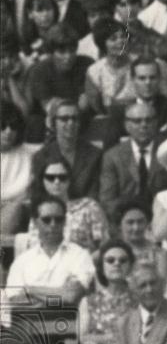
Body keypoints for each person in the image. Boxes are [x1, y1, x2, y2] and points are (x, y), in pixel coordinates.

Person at [2, 195, 95, 331]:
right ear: (35, 222)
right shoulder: (22, 261)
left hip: (68, 333)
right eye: (46, 219)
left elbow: (71, 296)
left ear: (65, 221)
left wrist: (30, 290)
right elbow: (15, 303)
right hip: (27, 334)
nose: (53, 224)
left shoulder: (80, 256)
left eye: (59, 219)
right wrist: (59, 297)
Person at [99, 100, 167, 216]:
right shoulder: (112, 156)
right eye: (137, 121)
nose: (144, 125)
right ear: (127, 126)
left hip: (163, 217)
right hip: (125, 219)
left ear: (156, 123)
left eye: (149, 120)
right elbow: (107, 201)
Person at [27, 157, 109, 253]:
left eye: (62, 177)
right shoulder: (39, 210)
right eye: (50, 177)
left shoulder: (89, 206)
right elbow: (34, 247)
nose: (57, 182)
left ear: (69, 180)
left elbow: (104, 245)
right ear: (42, 180)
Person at [30, 98, 103, 202]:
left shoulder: (95, 154)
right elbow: (38, 194)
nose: (71, 123)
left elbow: (94, 194)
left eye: (75, 118)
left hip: (84, 210)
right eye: (64, 119)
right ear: (53, 122)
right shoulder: (40, 156)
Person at [78, 239, 137, 344]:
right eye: (110, 260)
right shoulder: (88, 302)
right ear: (102, 267)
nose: (117, 263)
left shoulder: (139, 301)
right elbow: (82, 337)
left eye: (123, 260)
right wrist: (110, 338)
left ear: (130, 267)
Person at [82, 18, 134, 114]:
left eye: (123, 37)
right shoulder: (94, 71)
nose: (121, 41)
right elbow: (96, 108)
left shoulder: (140, 64)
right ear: (103, 44)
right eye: (113, 39)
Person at [115, 199, 167, 281]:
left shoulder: (160, 254)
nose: (136, 227)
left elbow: (162, 286)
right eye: (130, 222)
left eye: (140, 222)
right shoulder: (110, 253)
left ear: (147, 223)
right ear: (119, 225)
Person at [0, 106, 34, 237]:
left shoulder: (28, 154)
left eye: (13, 127)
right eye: (2, 126)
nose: (8, 131)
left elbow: (26, 192)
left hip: (15, 206)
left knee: (15, 209)